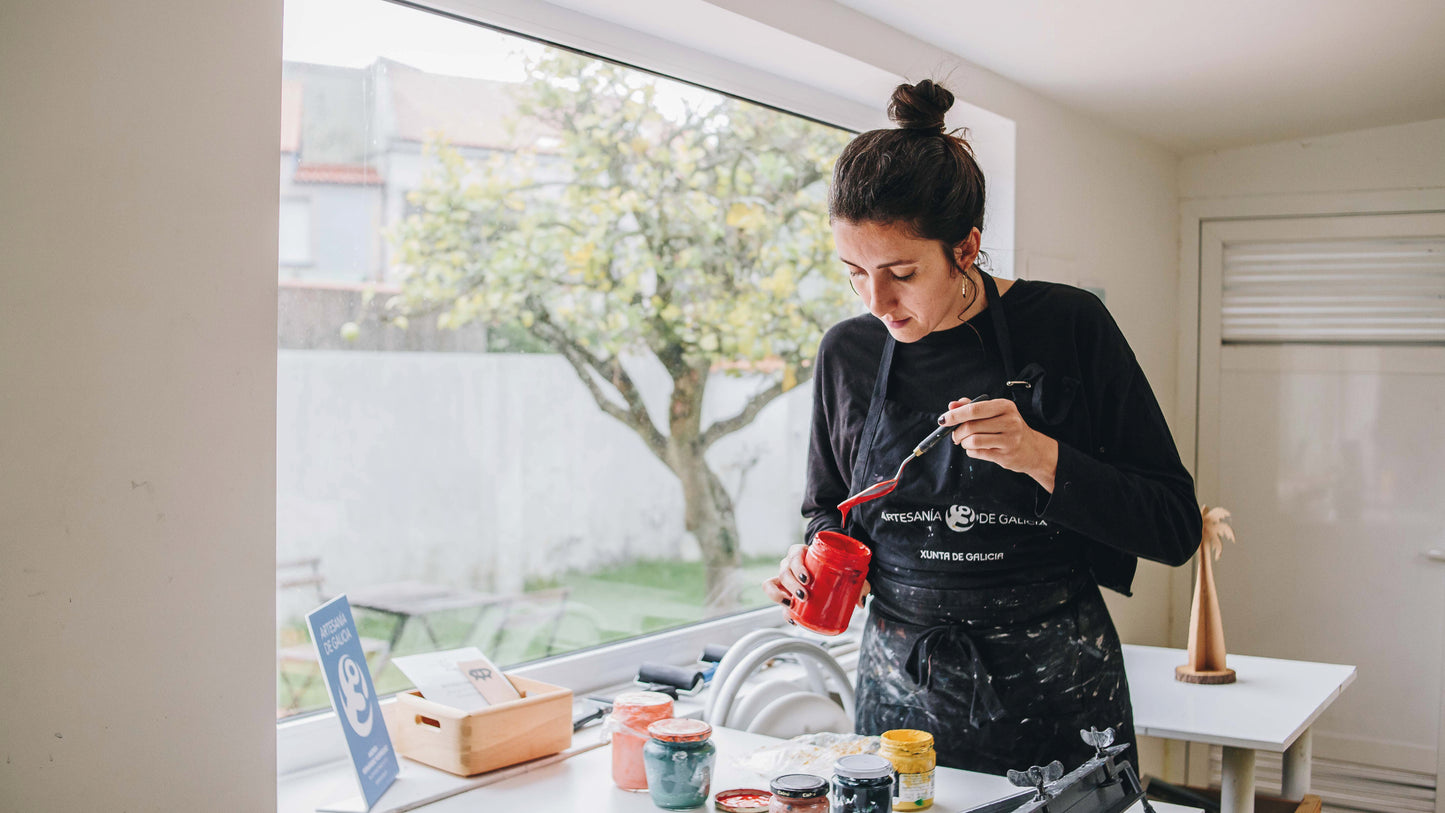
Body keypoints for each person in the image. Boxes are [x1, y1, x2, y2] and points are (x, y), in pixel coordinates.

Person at [762, 79, 1202, 776]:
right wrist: (809, 557)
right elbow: (827, 508)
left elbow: (1175, 529)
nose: (876, 301)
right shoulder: (848, 352)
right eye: (853, 272)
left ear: (965, 248)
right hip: (899, 690)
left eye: (900, 272)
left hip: (1055, 683)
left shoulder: (1068, 326)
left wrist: (1040, 454)